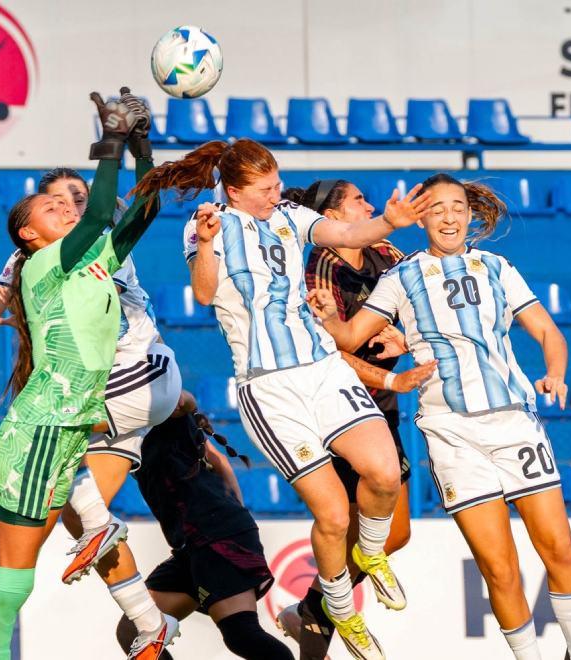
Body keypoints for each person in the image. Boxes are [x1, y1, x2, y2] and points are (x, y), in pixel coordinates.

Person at [131, 137, 432, 659]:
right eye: (265, 188)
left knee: (383, 473)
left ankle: (370, 554)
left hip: (322, 369)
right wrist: (204, 244)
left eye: (277, 184)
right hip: (268, 388)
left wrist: (389, 222)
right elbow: (203, 293)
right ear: (234, 191)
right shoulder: (209, 225)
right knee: (334, 514)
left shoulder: (291, 216)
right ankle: (339, 604)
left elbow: (345, 230)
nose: (276, 193)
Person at [308, 173, 571, 660]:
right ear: (421, 217)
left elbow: (548, 332)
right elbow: (351, 337)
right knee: (498, 567)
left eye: (457, 207)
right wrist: (327, 318)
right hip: (450, 434)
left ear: (469, 214)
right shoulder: (402, 276)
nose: (449, 216)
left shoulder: (497, 267)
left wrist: (555, 372)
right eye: (437, 208)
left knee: (559, 551)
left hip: (512, 422)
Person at [0, 89, 175, 660]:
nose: (65, 210)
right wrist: (108, 143)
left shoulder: (91, 259)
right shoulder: (40, 265)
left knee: (10, 574)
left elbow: (143, 213)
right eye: (49, 209)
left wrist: (140, 149)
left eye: (67, 206)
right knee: (14, 578)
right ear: (28, 235)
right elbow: (103, 212)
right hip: (42, 433)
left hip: (63, 434)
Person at [277, 178, 434, 658]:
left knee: (396, 532)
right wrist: (388, 379)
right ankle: (322, 614)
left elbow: (426, 301)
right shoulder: (316, 267)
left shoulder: (385, 253)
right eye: (359, 200)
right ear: (335, 216)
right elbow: (328, 349)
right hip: (335, 405)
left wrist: (406, 337)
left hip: (380, 407)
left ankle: (315, 606)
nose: (370, 205)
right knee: (343, 524)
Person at [105, 401, 294, 660]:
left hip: (216, 535)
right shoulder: (127, 420)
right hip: (190, 547)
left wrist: (233, 522)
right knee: (134, 631)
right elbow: (217, 460)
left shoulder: (161, 408)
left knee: (241, 634)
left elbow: (183, 399)